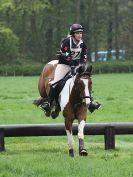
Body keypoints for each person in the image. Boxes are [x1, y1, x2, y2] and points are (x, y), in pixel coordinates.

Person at [41, 23, 101, 112]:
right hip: (64, 65)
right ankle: (49, 103)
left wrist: (81, 67)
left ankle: (90, 102)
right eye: (77, 33)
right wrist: (72, 66)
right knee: (55, 82)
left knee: (85, 81)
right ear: (73, 34)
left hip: (77, 66)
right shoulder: (66, 42)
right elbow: (67, 56)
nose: (80, 35)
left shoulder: (83, 44)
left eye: (81, 33)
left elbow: (83, 58)